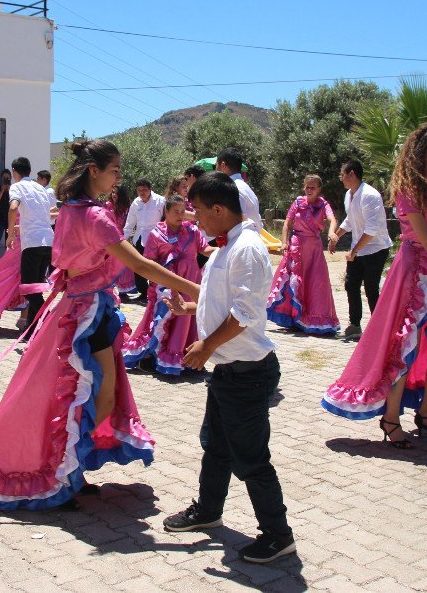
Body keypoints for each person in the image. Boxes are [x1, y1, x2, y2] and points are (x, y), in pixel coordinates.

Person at [0, 139, 201, 510]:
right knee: (94, 392)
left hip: (80, 309)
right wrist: (198, 287)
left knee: (76, 391)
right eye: (114, 170)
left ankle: (68, 467)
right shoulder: (95, 216)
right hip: (86, 314)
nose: (119, 177)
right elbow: (140, 265)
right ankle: (60, 469)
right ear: (93, 170)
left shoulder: (70, 209)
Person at [321, 124, 427, 448]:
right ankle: (390, 418)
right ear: (418, 154)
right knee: (404, 346)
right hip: (413, 273)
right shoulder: (409, 190)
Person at [161, 171, 294, 564]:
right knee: (216, 446)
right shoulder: (225, 246)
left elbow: (246, 312)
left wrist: (206, 344)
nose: (194, 219)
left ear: (219, 209)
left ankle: (277, 534)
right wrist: (193, 306)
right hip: (229, 371)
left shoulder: (247, 248)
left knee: (251, 458)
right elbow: (222, 295)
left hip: (248, 373)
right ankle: (208, 510)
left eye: (198, 211)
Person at [123, 195, 212, 375]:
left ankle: (185, 359)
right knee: (162, 321)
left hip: (191, 282)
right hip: (166, 285)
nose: (180, 216)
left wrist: (225, 248)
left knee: (187, 320)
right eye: (175, 212)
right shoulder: (156, 234)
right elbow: (148, 262)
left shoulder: (192, 231)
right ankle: (154, 357)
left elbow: (205, 249)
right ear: (166, 212)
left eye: (182, 212)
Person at [328, 160, 393, 341]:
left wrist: (354, 251)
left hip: (376, 248)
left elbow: (371, 231)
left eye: (343, 175)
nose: (341, 179)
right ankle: (355, 325)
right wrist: (336, 236)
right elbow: (350, 220)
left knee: (371, 288)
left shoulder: (370, 195)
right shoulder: (349, 195)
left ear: (352, 174)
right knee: (351, 285)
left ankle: (380, 329)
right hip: (359, 248)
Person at [267, 174, 340, 336]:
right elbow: (287, 222)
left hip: (313, 248)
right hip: (296, 246)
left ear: (319, 189)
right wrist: (284, 242)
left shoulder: (323, 204)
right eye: (307, 187)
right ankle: (292, 317)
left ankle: (313, 319)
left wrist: (331, 232)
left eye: (312, 187)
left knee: (316, 283)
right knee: (292, 281)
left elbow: (332, 219)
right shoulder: (298, 202)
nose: (309, 190)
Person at [7, 157, 54, 338]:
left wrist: (10, 234)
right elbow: (43, 215)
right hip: (47, 240)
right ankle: (32, 332)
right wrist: (22, 227)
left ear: (14, 171)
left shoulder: (17, 187)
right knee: (36, 287)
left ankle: (47, 318)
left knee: (28, 287)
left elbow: (13, 208)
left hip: (32, 243)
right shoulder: (40, 188)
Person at [123, 178, 166, 300]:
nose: (142, 193)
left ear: (150, 189)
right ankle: (143, 292)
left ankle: (157, 292)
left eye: (145, 190)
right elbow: (130, 222)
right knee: (138, 266)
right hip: (139, 238)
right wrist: (125, 239)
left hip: (156, 239)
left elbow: (165, 220)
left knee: (155, 267)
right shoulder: (136, 203)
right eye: (139, 190)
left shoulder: (160, 201)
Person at [215, 148, 262, 230]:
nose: (215, 171)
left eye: (215, 166)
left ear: (223, 165)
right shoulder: (245, 188)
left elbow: (237, 224)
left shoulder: (232, 189)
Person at [107, 184, 137, 298]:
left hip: (122, 238)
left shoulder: (127, 209)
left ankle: (123, 291)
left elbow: (129, 225)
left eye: (116, 193)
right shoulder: (108, 206)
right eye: (113, 192)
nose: (114, 195)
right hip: (109, 239)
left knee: (123, 265)